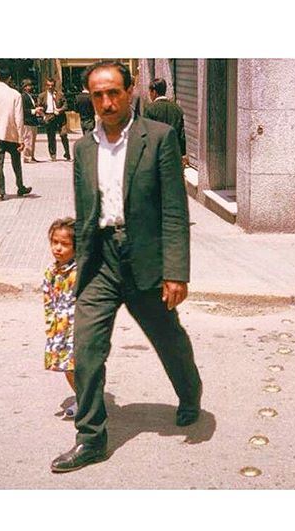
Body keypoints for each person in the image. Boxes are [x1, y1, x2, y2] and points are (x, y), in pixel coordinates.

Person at [51, 61, 203, 473]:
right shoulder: (83, 148)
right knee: (85, 350)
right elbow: (85, 212)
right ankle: (91, 437)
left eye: (113, 92)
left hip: (146, 260)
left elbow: (174, 209)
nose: (107, 101)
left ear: (130, 89)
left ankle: (190, 393)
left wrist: (177, 271)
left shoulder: (158, 138)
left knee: (168, 338)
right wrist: (70, 263)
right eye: (98, 94)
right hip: (99, 260)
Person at [43, 217, 78, 418]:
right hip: (60, 330)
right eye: (54, 242)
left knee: (80, 368)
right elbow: (48, 300)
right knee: (67, 369)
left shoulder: (80, 270)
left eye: (64, 244)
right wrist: (50, 326)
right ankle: (83, 397)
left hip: (78, 329)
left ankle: (90, 401)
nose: (58, 248)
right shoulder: (51, 271)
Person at [0, 67, 32, 201]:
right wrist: (21, 138)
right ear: (9, 78)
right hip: (12, 133)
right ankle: (20, 186)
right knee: (16, 163)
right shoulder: (15, 94)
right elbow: (19, 117)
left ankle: (0, 192)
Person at [143, 77, 188, 167]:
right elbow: (182, 135)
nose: (150, 95)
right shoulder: (177, 109)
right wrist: (182, 154)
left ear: (154, 92)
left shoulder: (150, 109)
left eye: (150, 92)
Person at [37, 78, 70, 161]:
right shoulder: (42, 96)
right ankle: (53, 155)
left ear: (55, 86)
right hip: (49, 116)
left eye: (52, 85)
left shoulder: (60, 94)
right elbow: (39, 107)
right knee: (51, 137)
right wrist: (44, 116)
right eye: (48, 85)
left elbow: (66, 106)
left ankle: (67, 153)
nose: (50, 87)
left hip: (60, 117)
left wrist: (60, 110)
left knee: (63, 134)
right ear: (46, 86)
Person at [21, 79, 40, 163]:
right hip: (27, 121)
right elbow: (23, 110)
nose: (29, 87)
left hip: (33, 121)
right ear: (24, 87)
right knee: (28, 140)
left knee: (32, 140)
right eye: (27, 86)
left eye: (30, 85)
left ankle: (31, 156)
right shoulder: (23, 96)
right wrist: (34, 111)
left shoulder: (30, 96)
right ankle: (27, 157)